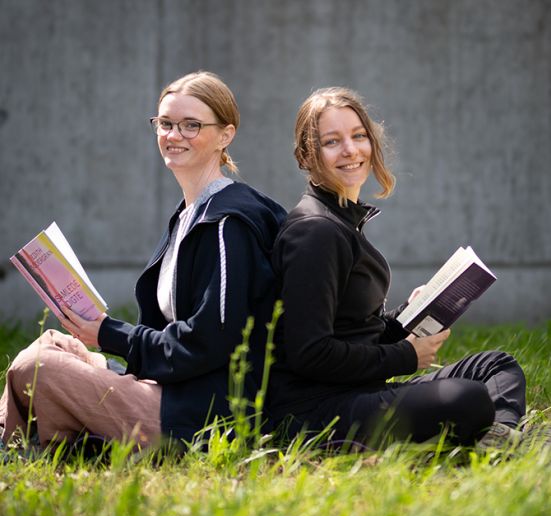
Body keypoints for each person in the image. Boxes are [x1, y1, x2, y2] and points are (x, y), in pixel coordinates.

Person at [0, 71, 286, 452]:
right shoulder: (191, 213)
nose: (173, 135)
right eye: (165, 124)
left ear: (225, 135)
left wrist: (109, 333)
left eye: (191, 125)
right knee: (50, 346)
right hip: (171, 386)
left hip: (202, 414)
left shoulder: (227, 224)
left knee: (36, 370)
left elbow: (210, 344)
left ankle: (16, 445)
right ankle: (26, 443)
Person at [269, 86, 528, 449]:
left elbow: (351, 333)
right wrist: (405, 356)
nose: (350, 150)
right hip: (316, 412)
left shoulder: (342, 221)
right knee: (465, 398)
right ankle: (494, 436)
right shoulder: (315, 232)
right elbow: (310, 354)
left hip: (358, 389)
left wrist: (406, 316)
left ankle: (497, 439)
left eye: (358, 136)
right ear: (307, 156)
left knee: (496, 366)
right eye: (332, 141)